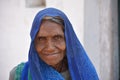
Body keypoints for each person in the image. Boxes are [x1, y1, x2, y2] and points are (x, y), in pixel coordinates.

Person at [9, 8, 99, 80]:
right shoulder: (19, 75)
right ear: (34, 43)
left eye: (57, 38)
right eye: (41, 39)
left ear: (68, 41)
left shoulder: (82, 73)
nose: (50, 48)